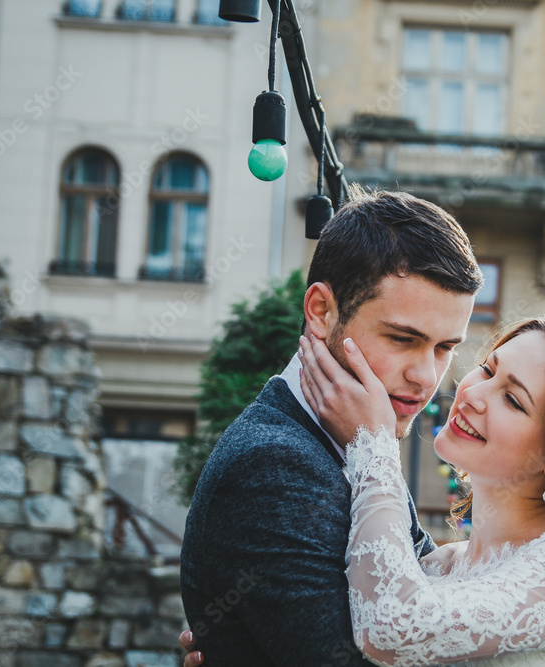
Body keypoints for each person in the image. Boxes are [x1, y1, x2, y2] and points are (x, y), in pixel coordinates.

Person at [183, 313, 545, 666]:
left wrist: (372, 442)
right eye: (487, 369)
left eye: (512, 399)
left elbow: (391, 628)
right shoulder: (440, 567)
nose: (474, 394)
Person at [179, 187, 483, 665]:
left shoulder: (360, 444)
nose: (426, 377)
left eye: (445, 347)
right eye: (403, 339)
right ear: (321, 310)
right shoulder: (273, 465)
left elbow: (426, 596)